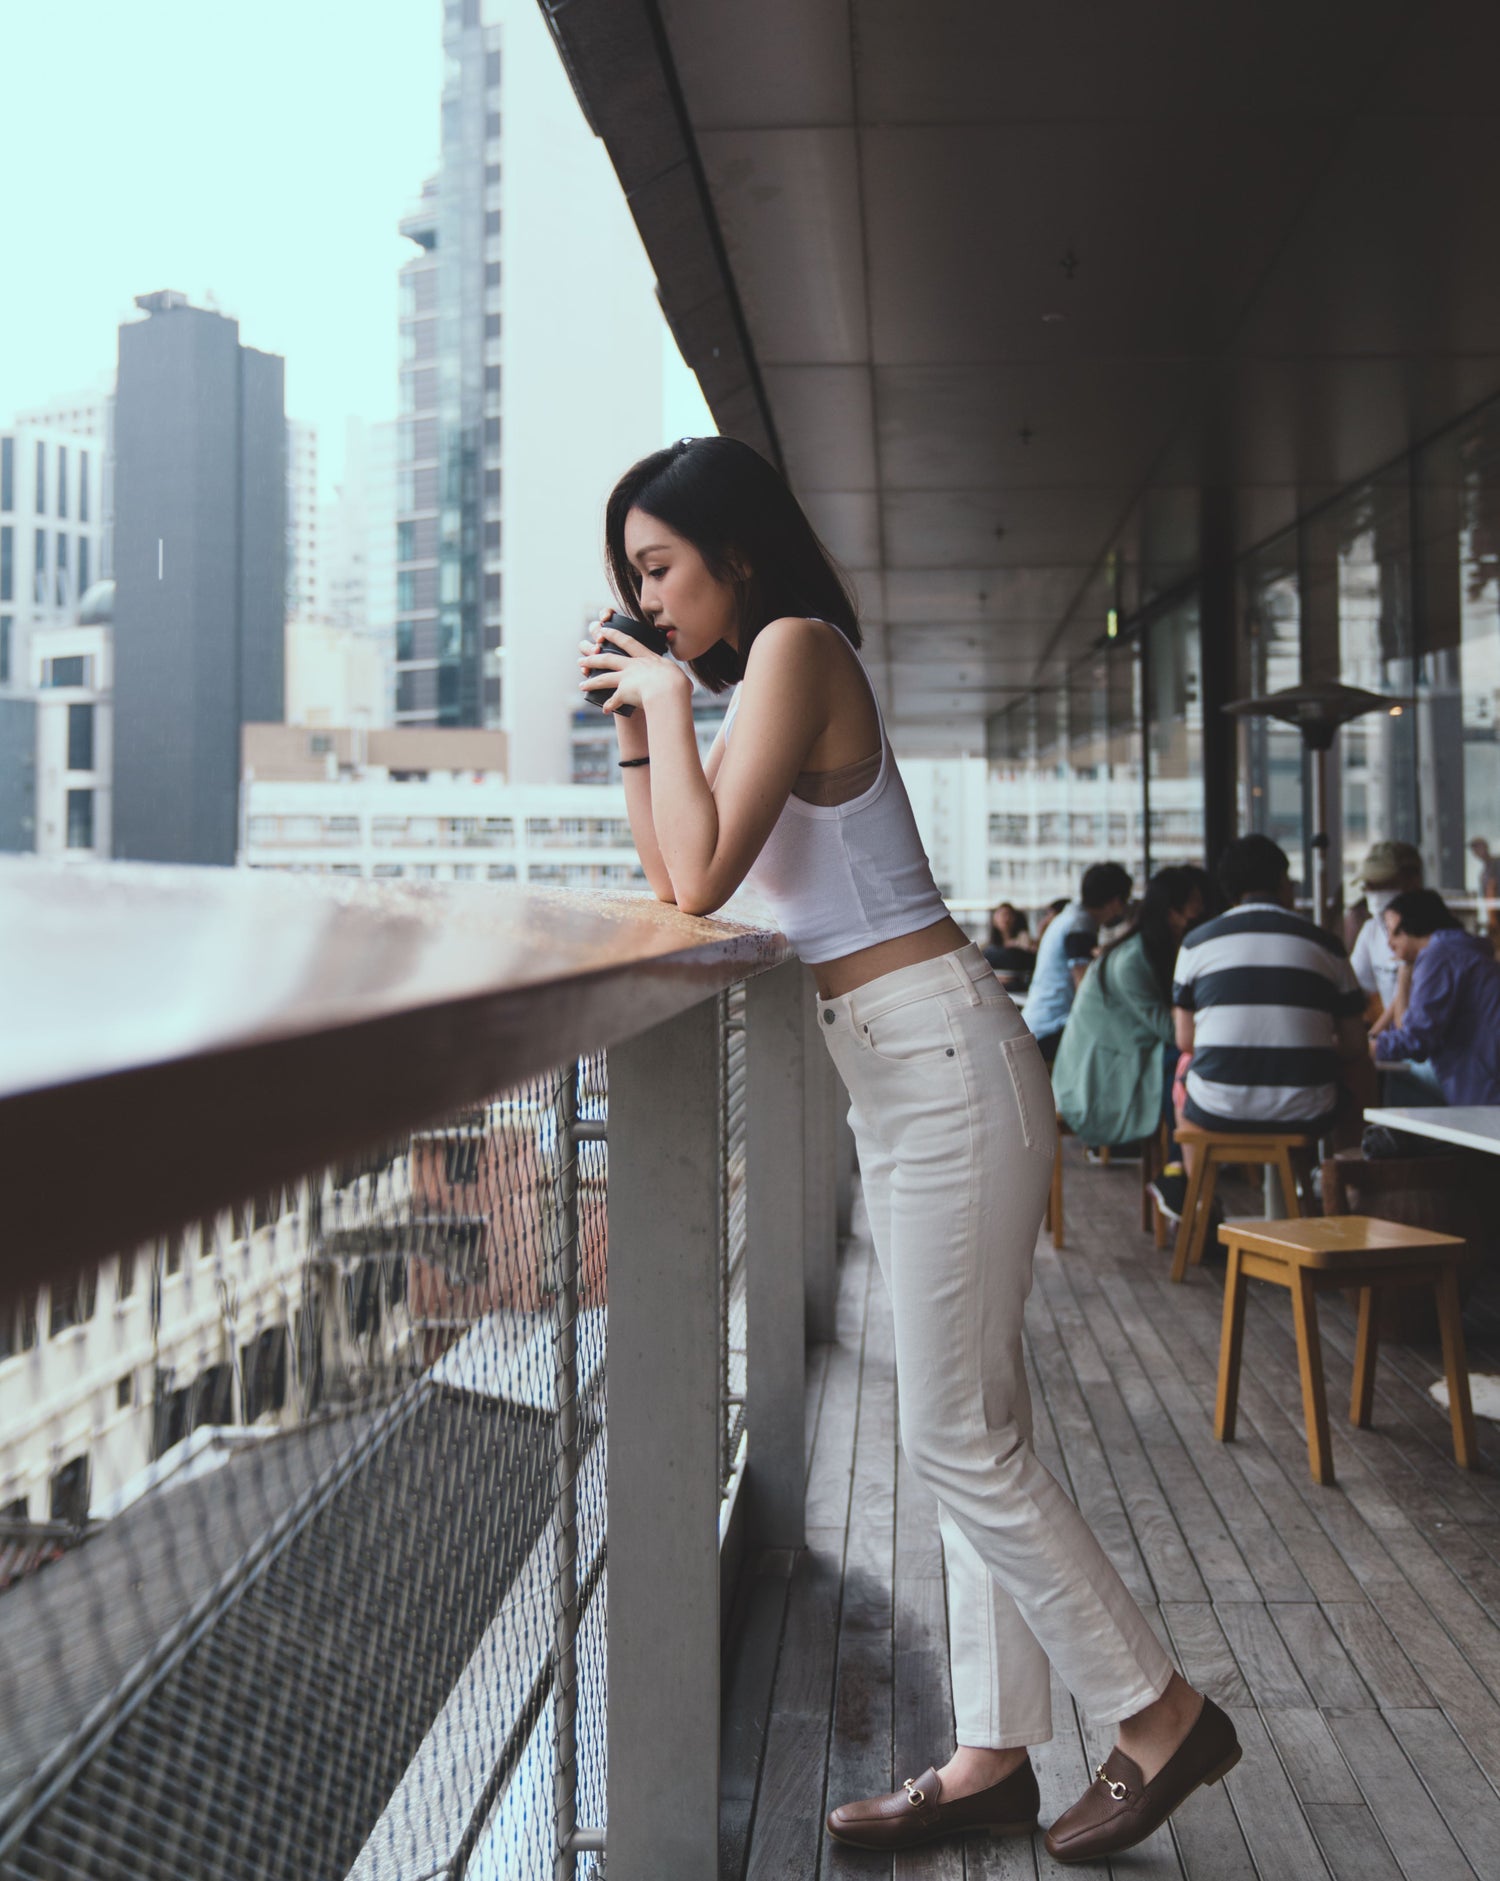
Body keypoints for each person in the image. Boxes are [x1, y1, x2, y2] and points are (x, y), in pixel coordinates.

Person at [580, 436, 1236, 1864]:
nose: (649, 599)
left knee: (955, 1430)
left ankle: (1158, 1710)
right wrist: (648, 727)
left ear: (735, 553)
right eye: (633, 581)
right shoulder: (750, 688)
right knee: (967, 1426)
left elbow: (694, 875)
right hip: (902, 1072)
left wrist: (673, 705)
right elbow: (678, 879)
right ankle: (995, 1755)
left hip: (942, 1058)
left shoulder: (797, 651)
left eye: (659, 568)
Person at [1170, 834, 1369, 1142]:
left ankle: (1195, 1186)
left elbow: (1186, 1040)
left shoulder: (1196, 943)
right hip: (1309, 1111)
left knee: (1185, 1065)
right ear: (1281, 881)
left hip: (1217, 1109)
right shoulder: (1326, 944)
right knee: (1359, 1066)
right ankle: (1348, 1178)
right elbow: (1355, 1045)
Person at [1052, 869, 1205, 1149]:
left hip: (1124, 1051)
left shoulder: (1150, 951)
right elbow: (1171, 1031)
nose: (1202, 910)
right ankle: (1180, 1168)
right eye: (1195, 902)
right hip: (1100, 1072)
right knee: (1184, 1064)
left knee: (1184, 1063)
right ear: (1173, 912)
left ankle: (1183, 1168)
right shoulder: (1131, 960)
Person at [1373, 889, 1500, 1105]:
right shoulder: (1461, 948)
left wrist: (1370, 1048)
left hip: (1483, 1083)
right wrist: (1406, 969)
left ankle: (1404, 1138)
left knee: (1398, 1076)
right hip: (1485, 1073)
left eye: (1393, 932)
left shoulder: (1441, 955)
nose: (1389, 943)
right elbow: (1411, 1028)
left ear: (1414, 926)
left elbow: (1416, 1040)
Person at [1024, 863, 1134, 1064]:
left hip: (1038, 1024)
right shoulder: (1081, 926)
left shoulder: (1069, 916)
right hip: (1053, 1028)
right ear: (1116, 902)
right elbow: (1084, 989)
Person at [1351, 840, 1423, 1030]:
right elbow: (1357, 988)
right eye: (1368, 885)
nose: (1372, 891)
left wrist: (1376, 1037)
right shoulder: (1372, 930)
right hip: (1398, 1045)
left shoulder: (1432, 934)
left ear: (1412, 881)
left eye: (1382, 883)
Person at [984, 901, 1034, 991]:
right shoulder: (988, 949)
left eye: (1008, 915)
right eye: (1001, 915)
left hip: (1018, 990)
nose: (1005, 919)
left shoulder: (1023, 942)